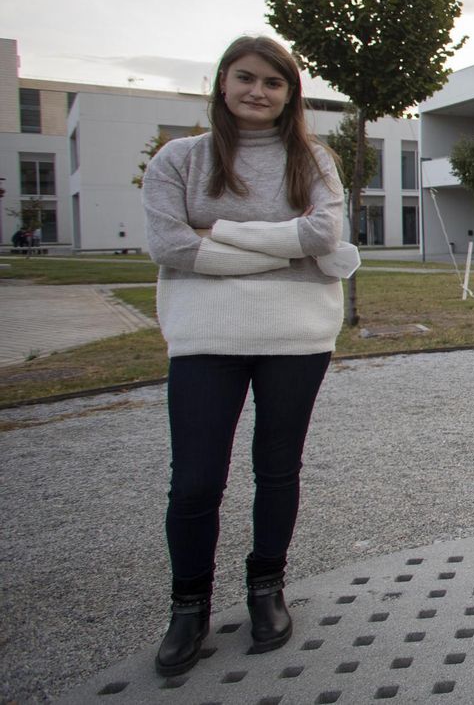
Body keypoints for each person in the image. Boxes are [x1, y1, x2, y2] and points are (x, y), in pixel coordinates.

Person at [141, 36, 360, 675]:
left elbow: (324, 233)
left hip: (295, 338)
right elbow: (169, 246)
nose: (258, 92)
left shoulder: (311, 159)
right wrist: (286, 249)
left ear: (290, 93)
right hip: (204, 338)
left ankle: (267, 588)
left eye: (273, 82)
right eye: (245, 79)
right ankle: (190, 607)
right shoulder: (179, 160)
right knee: (196, 479)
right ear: (222, 83)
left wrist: (221, 232)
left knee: (278, 467)